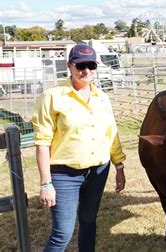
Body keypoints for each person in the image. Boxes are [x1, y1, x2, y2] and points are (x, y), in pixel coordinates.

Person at [33, 44, 126, 251]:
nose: (86, 71)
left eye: (91, 66)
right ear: (70, 66)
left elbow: (111, 134)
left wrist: (119, 166)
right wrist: (46, 183)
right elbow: (42, 142)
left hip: (98, 171)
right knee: (62, 233)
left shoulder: (102, 98)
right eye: (81, 65)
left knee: (89, 221)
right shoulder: (52, 97)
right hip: (64, 174)